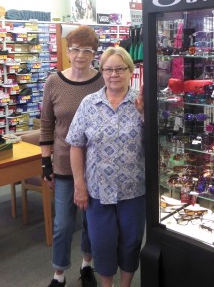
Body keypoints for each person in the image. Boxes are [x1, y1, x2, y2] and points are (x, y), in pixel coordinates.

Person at [66, 46, 145, 287]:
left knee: (131, 242)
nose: (114, 74)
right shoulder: (89, 103)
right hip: (97, 190)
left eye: (120, 68)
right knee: (101, 242)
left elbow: (157, 144)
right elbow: (76, 145)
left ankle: (125, 285)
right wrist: (79, 185)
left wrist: (145, 115)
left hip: (133, 189)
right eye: (108, 69)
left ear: (130, 71)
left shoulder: (140, 103)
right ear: (101, 72)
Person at [40, 25, 105, 287]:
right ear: (68, 51)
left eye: (86, 50)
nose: (80, 55)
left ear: (94, 53)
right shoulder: (54, 82)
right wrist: (46, 161)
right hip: (65, 164)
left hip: (96, 164)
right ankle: (59, 273)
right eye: (75, 49)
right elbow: (46, 123)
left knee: (91, 221)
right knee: (63, 224)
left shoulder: (102, 80)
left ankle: (86, 265)